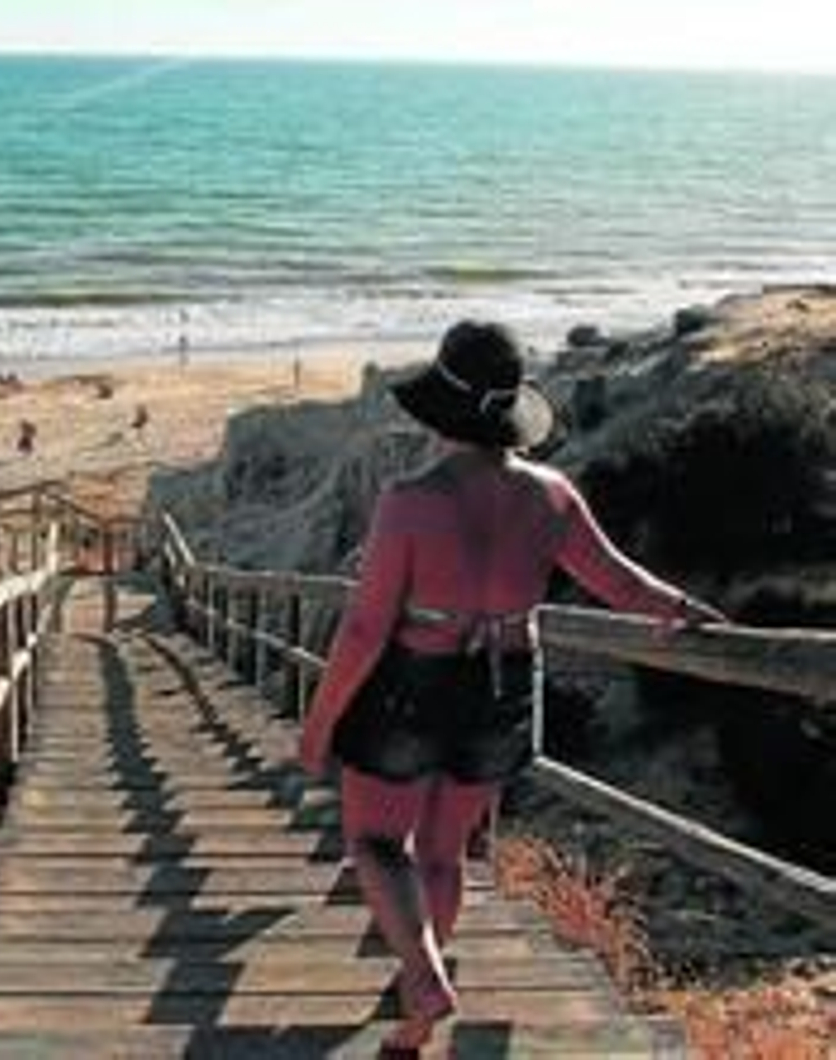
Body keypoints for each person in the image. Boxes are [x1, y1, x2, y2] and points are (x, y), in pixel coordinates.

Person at [296, 321, 724, 1054]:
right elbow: (622, 583)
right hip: (503, 686)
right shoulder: (551, 494)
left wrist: (318, 725)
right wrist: (688, 613)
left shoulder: (410, 500)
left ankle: (423, 977)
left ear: (442, 409)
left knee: (374, 841)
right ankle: (415, 990)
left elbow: (365, 631)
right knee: (442, 853)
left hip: (412, 680)